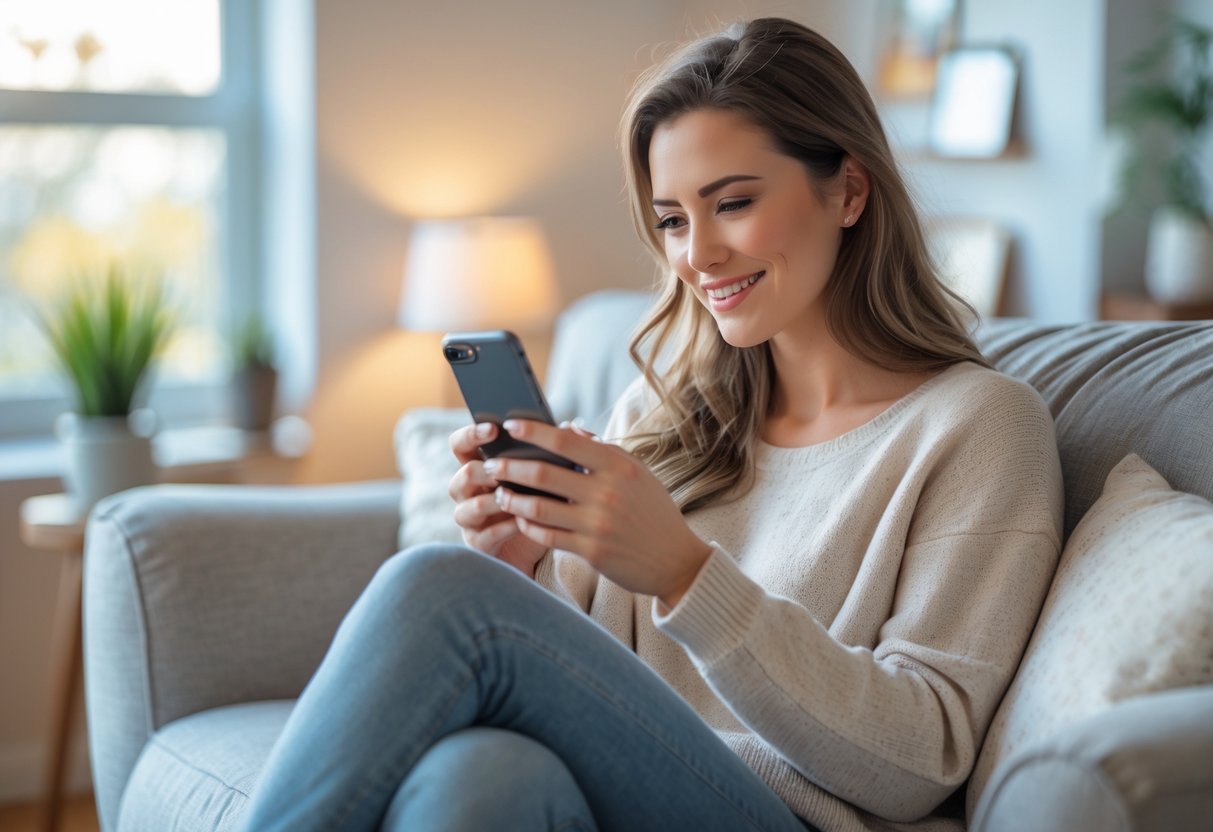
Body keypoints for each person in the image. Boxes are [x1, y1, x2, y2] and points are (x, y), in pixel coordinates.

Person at [240, 17, 1063, 832]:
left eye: (732, 203)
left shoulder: (978, 427)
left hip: (786, 816)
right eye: (672, 220)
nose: (696, 255)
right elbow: (590, 688)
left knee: (437, 587)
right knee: (482, 776)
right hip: (616, 792)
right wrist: (519, 569)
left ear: (848, 190)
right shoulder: (665, 414)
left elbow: (921, 755)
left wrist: (683, 573)